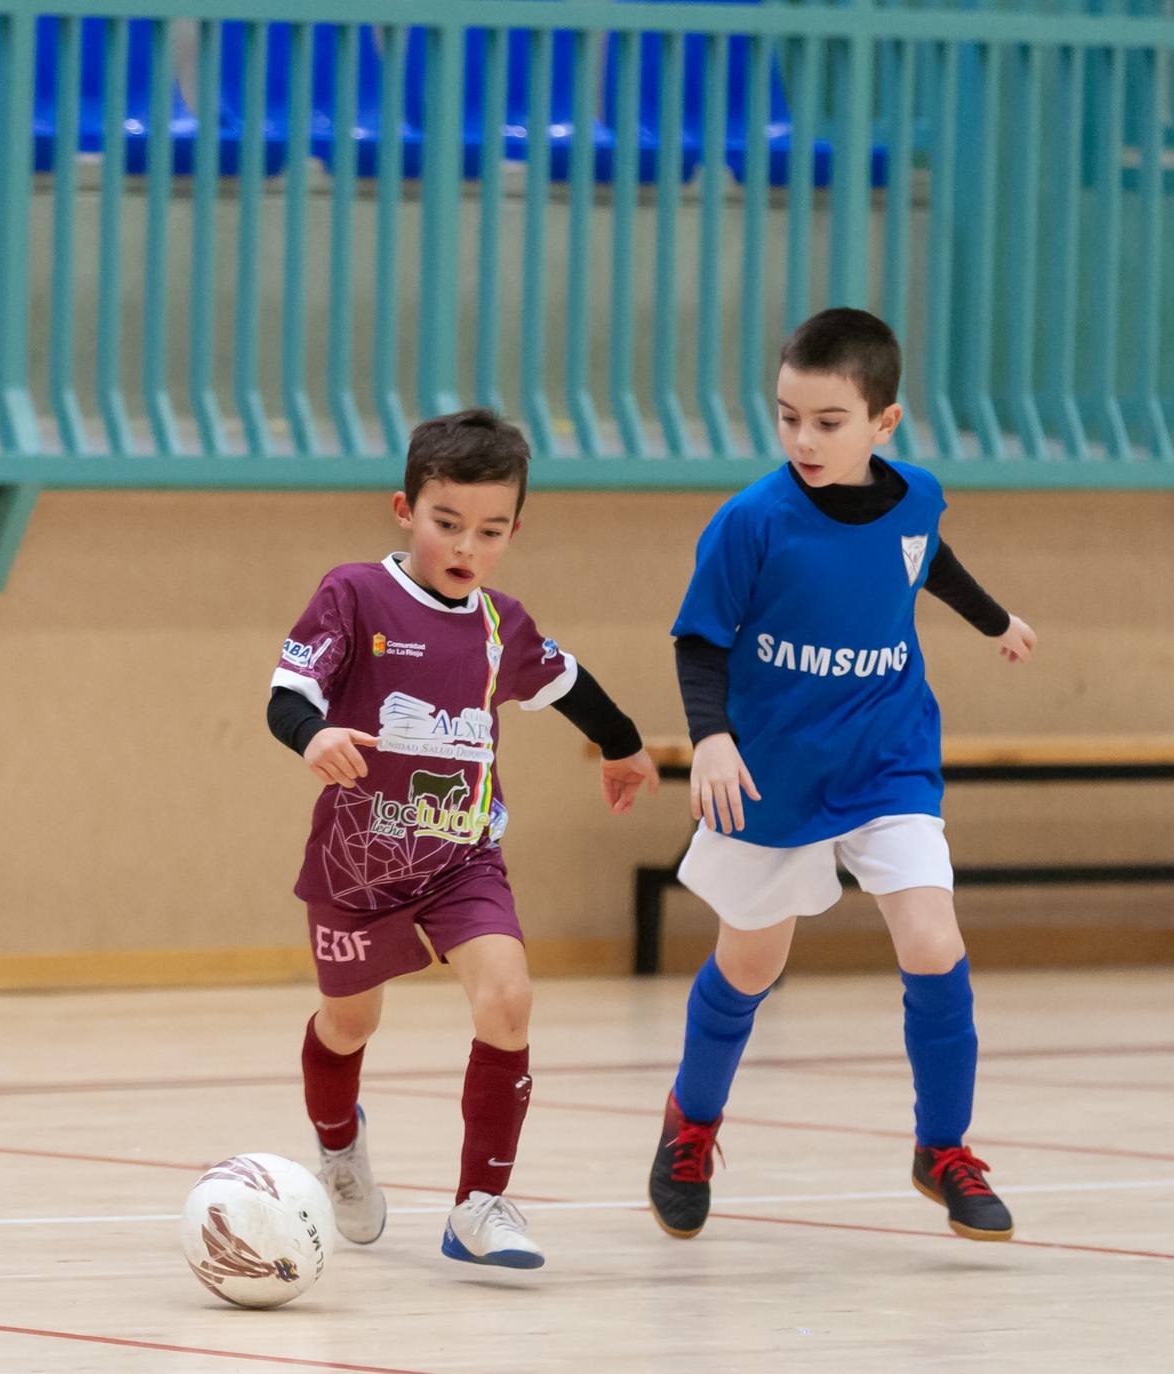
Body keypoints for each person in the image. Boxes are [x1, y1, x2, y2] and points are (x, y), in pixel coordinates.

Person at [646, 309, 1038, 1243]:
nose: (803, 439)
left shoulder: (916, 496)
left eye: (827, 421)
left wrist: (992, 621)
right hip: (774, 771)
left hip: (888, 754)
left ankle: (940, 1149)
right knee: (750, 964)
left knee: (932, 940)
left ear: (883, 424)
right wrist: (709, 740)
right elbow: (699, 641)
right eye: (788, 418)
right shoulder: (749, 523)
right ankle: (687, 1129)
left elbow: (922, 558)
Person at [266, 410, 660, 1268]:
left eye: (488, 531)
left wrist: (625, 745)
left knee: (508, 999)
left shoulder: (500, 625)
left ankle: (479, 1203)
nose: (465, 547)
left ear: (515, 530)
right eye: (446, 524)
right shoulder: (355, 593)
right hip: (357, 862)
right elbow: (285, 695)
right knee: (347, 1024)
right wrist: (313, 736)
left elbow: (568, 683)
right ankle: (338, 1146)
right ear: (403, 507)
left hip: (461, 862)